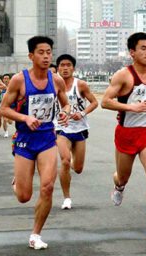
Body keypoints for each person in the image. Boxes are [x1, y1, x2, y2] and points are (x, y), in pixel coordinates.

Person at [0, 36, 70, 249]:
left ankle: (35, 234)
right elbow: (4, 109)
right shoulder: (19, 80)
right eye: (41, 52)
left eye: (49, 52)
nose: (46, 56)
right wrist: (25, 118)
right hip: (24, 140)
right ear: (31, 56)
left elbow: (65, 104)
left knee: (48, 187)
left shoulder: (56, 80)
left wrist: (65, 114)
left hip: (47, 138)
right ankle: (18, 183)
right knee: (24, 196)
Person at [101, 32, 146, 239]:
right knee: (123, 175)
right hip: (126, 134)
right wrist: (132, 107)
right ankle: (119, 185)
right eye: (143, 48)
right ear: (132, 52)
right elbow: (105, 101)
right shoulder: (124, 75)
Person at [55, 54, 98, 210]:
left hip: (79, 127)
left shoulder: (81, 85)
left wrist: (82, 113)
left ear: (73, 68)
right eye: (62, 65)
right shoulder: (52, 85)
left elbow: (94, 102)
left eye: (68, 65)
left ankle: (71, 164)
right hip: (60, 128)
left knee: (78, 168)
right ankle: (67, 198)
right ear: (58, 68)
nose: (65, 68)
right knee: (65, 160)